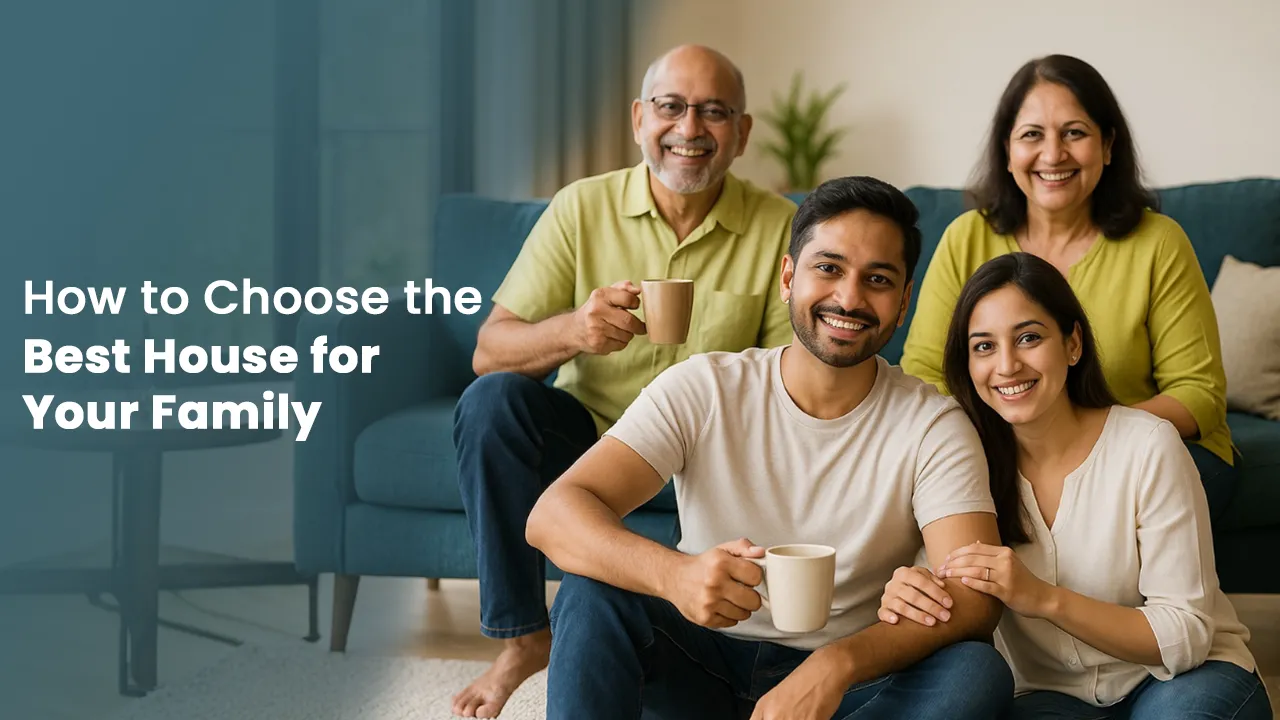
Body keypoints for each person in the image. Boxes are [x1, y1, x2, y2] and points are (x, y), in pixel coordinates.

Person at [525, 176, 1015, 719]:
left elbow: (976, 599)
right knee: (589, 593)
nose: (849, 298)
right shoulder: (705, 388)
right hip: (698, 659)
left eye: (877, 279)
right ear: (787, 278)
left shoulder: (933, 424)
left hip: (848, 687)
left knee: (976, 671)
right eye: (828, 268)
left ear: (903, 304)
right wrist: (675, 576)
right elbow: (552, 515)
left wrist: (837, 664)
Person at [450, 45, 797, 718]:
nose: (689, 128)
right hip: (592, 442)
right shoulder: (581, 208)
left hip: (713, 454)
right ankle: (524, 638)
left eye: (714, 112)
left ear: (742, 132)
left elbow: (791, 379)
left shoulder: (781, 226)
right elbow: (489, 351)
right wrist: (573, 332)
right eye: (671, 106)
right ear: (640, 119)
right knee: (492, 402)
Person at [879, 252, 1271, 719]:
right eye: (983, 346)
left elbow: (1185, 635)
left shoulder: (1148, 446)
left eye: (1028, 338)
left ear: (1072, 344)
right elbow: (947, 590)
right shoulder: (958, 462)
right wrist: (911, 591)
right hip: (1046, 694)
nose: (1007, 365)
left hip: (1178, 679)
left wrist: (1044, 599)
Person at [898, 54, 1238, 520]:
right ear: (1007, 150)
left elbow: (1197, 394)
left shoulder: (1159, 242)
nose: (1053, 154)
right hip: (999, 449)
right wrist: (1013, 442)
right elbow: (925, 376)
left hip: (1142, 452)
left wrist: (1081, 442)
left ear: (1108, 145)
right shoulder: (965, 238)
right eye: (1032, 135)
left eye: (1074, 133)